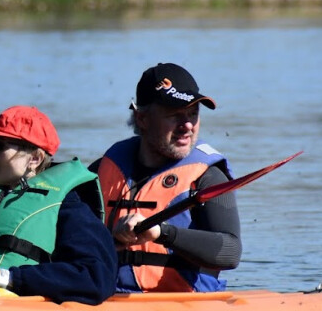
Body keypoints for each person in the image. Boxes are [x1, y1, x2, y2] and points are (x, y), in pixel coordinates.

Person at [0, 105, 117, 305]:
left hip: (13, 305)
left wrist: (9, 278)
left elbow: (97, 277)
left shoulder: (69, 210)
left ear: (34, 159)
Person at [89, 63, 241, 293]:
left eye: (193, 114)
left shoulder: (209, 177)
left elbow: (230, 252)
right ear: (142, 119)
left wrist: (162, 233)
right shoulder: (102, 170)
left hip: (185, 305)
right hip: (108, 300)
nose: (188, 125)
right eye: (175, 115)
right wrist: (108, 238)